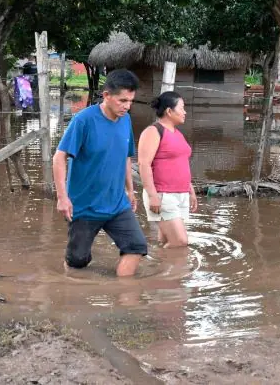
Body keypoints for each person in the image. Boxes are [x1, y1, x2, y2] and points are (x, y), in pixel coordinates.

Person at [52, 69, 147, 277]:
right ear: (106, 96)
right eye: (122, 100)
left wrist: (130, 190)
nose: (127, 106)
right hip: (84, 206)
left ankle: (123, 296)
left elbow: (125, 157)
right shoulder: (84, 121)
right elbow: (59, 157)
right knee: (78, 262)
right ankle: (72, 285)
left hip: (117, 203)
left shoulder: (125, 120)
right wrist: (62, 197)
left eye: (131, 101)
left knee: (136, 246)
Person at [137, 91, 197, 248]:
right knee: (180, 242)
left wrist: (190, 189)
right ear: (169, 111)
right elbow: (144, 164)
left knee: (165, 240)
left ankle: (163, 268)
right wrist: (153, 196)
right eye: (182, 108)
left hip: (180, 194)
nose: (185, 112)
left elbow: (181, 163)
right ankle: (176, 271)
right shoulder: (153, 131)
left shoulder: (177, 134)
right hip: (163, 195)